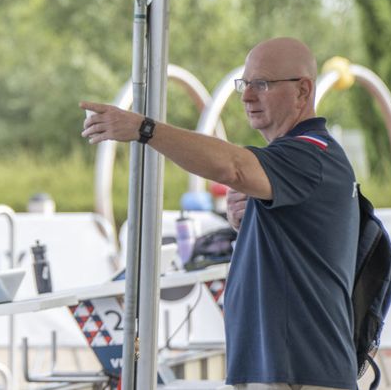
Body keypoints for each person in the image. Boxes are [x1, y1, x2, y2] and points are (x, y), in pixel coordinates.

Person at [81, 37, 357, 390]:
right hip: (282, 367)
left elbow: (233, 168)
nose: (247, 96)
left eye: (262, 84)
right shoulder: (299, 162)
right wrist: (250, 221)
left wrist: (144, 129)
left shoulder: (310, 155)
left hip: (299, 371)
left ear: (303, 91)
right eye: (245, 84)